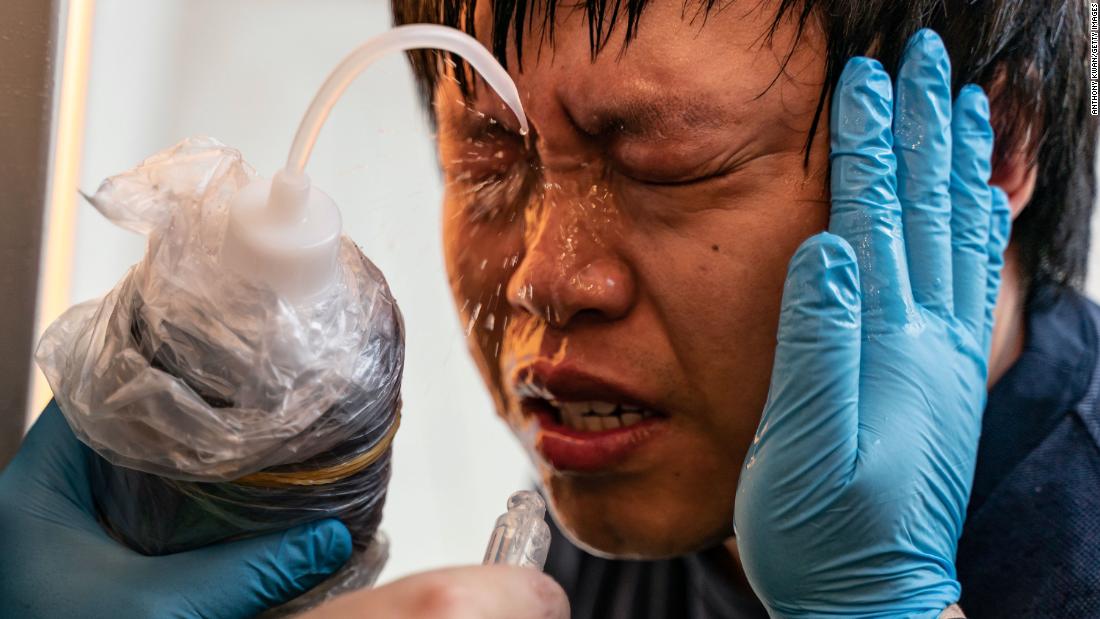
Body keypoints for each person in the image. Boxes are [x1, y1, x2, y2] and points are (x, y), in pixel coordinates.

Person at [0, 3, 1094, 619]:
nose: (541, 278)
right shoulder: (655, 491)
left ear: (985, 148)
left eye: (662, 160)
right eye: (488, 152)